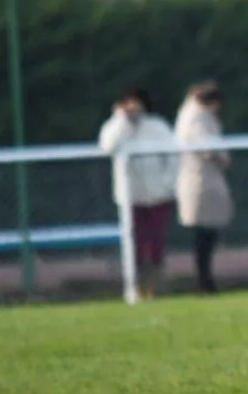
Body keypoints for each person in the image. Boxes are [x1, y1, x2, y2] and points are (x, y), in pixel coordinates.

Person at [98, 87, 178, 300]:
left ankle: (155, 287)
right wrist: (121, 120)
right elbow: (107, 146)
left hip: (158, 196)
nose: (133, 107)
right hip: (130, 198)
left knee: (156, 244)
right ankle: (135, 288)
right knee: (134, 244)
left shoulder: (158, 127)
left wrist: (167, 184)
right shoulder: (114, 127)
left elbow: (173, 158)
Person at [174, 80, 234, 294]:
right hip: (200, 181)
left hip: (206, 180)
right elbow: (208, 147)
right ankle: (204, 281)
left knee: (208, 235)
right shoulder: (196, 118)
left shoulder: (195, 115)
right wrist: (223, 157)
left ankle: (206, 280)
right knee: (203, 236)